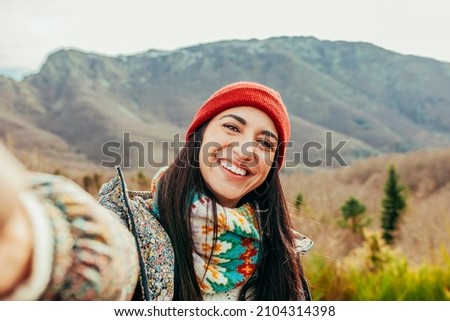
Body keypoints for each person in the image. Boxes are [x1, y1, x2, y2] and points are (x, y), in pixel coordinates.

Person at [0, 81, 313, 301]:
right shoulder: (135, 227)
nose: (246, 149)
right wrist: (31, 236)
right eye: (232, 127)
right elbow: (107, 260)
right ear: (199, 138)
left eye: (265, 143)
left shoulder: (283, 256)